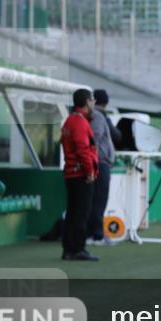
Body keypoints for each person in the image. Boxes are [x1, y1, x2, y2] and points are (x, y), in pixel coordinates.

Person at [61, 88, 99, 261]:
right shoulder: (80, 123)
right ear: (86, 102)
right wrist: (89, 171)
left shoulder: (70, 121)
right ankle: (77, 249)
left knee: (72, 213)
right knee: (81, 214)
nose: (94, 103)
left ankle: (69, 249)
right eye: (92, 100)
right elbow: (83, 149)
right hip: (80, 175)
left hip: (71, 174)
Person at [87, 89, 119, 243]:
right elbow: (97, 139)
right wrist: (94, 161)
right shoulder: (99, 117)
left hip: (95, 162)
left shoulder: (91, 116)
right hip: (100, 162)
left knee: (94, 199)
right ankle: (97, 234)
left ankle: (93, 233)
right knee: (99, 199)